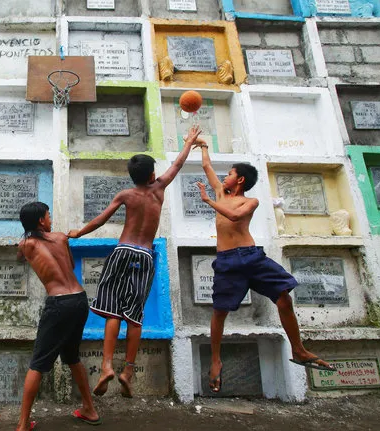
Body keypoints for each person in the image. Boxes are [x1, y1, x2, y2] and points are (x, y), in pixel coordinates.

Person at [68, 125, 204, 398]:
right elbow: (177, 164)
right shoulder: (159, 188)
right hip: (144, 255)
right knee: (134, 317)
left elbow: (101, 219)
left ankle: (106, 365)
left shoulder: (126, 195)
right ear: (153, 174)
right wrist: (188, 142)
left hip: (122, 252)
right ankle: (128, 371)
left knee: (112, 312)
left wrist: (78, 232)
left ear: (132, 177)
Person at [196, 144, 337, 394]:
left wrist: (207, 200)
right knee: (219, 312)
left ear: (239, 179)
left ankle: (299, 349)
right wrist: (203, 146)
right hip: (228, 261)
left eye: (228, 174)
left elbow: (235, 216)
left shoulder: (250, 201)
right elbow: (206, 166)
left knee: (284, 296)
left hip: (251, 257)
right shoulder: (220, 193)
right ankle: (216, 360)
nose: (223, 178)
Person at [14, 202, 100, 431]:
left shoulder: (26, 245)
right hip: (79, 300)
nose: (50, 218)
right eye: (48, 215)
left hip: (59, 304)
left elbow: (21, 258)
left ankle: (22, 426)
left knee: (38, 364)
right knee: (72, 356)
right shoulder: (61, 237)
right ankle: (89, 410)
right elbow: (70, 266)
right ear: (41, 221)